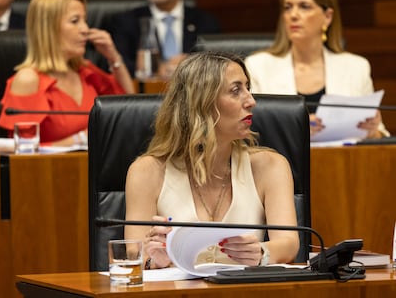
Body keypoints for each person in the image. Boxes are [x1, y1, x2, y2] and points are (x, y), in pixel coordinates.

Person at [125, 51, 299, 269]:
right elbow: (133, 251)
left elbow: (289, 243)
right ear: (201, 102)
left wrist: (262, 252)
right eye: (236, 91)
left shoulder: (270, 166)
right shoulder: (147, 171)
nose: (251, 101)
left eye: (248, 88)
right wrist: (152, 258)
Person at [0, 0, 135, 146]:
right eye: (75, 21)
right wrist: (81, 139)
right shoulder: (28, 79)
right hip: (49, 169)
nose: (85, 29)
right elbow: (23, 150)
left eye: (85, 20)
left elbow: (128, 107)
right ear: (49, 28)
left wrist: (113, 57)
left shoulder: (85, 71)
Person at [245, 0, 388, 139]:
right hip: (283, 161)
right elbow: (248, 134)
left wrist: (372, 132)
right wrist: (297, 129)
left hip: (343, 160)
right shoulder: (258, 67)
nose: (293, 15)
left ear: (327, 16)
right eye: (288, 7)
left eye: (304, 6)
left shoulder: (356, 67)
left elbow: (380, 135)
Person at [106, 0, 221, 79]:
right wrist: (154, 69)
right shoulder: (125, 21)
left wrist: (189, 64)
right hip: (146, 94)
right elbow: (117, 63)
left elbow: (216, 63)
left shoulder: (205, 22)